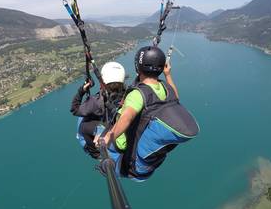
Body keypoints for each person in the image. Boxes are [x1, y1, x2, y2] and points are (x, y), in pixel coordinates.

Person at [98, 45, 198, 181]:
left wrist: (108, 137)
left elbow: (127, 117)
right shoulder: (165, 88)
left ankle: (107, 168)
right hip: (148, 166)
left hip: (130, 167)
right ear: (162, 68)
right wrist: (168, 75)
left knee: (97, 132)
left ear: (138, 67)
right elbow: (175, 98)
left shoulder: (138, 95)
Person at [70, 61, 126, 159]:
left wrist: (82, 90)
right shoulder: (127, 95)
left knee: (83, 124)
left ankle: (95, 152)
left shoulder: (96, 101)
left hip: (107, 127)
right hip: (118, 125)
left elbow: (74, 109)